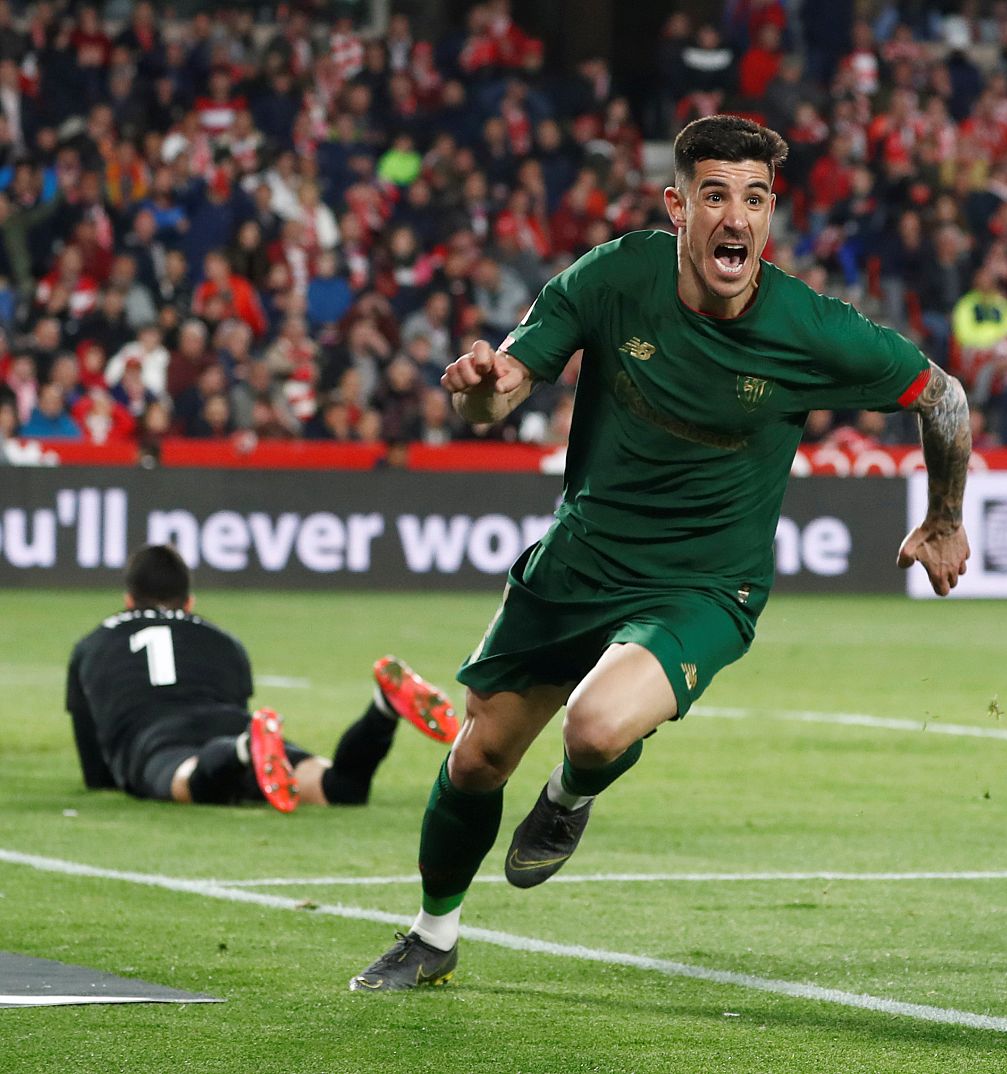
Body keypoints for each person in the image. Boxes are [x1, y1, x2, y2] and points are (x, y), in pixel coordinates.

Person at [351, 114, 971, 991]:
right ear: (678, 208)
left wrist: (944, 518)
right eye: (715, 196)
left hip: (704, 587)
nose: (735, 217)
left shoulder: (809, 327)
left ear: (770, 215)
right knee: (479, 756)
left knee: (596, 726)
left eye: (754, 199)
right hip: (580, 558)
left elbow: (943, 397)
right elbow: (502, 390)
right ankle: (432, 936)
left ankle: (569, 796)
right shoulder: (612, 278)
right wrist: (480, 392)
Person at [67, 544, 459, 813]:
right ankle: (383, 709)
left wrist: (110, 781)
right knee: (340, 790)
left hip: (158, 738)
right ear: (189, 603)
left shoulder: (92, 644)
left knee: (192, 782)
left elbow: (95, 768)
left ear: (128, 601)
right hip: (232, 723)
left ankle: (241, 750)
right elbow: (238, 702)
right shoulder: (222, 640)